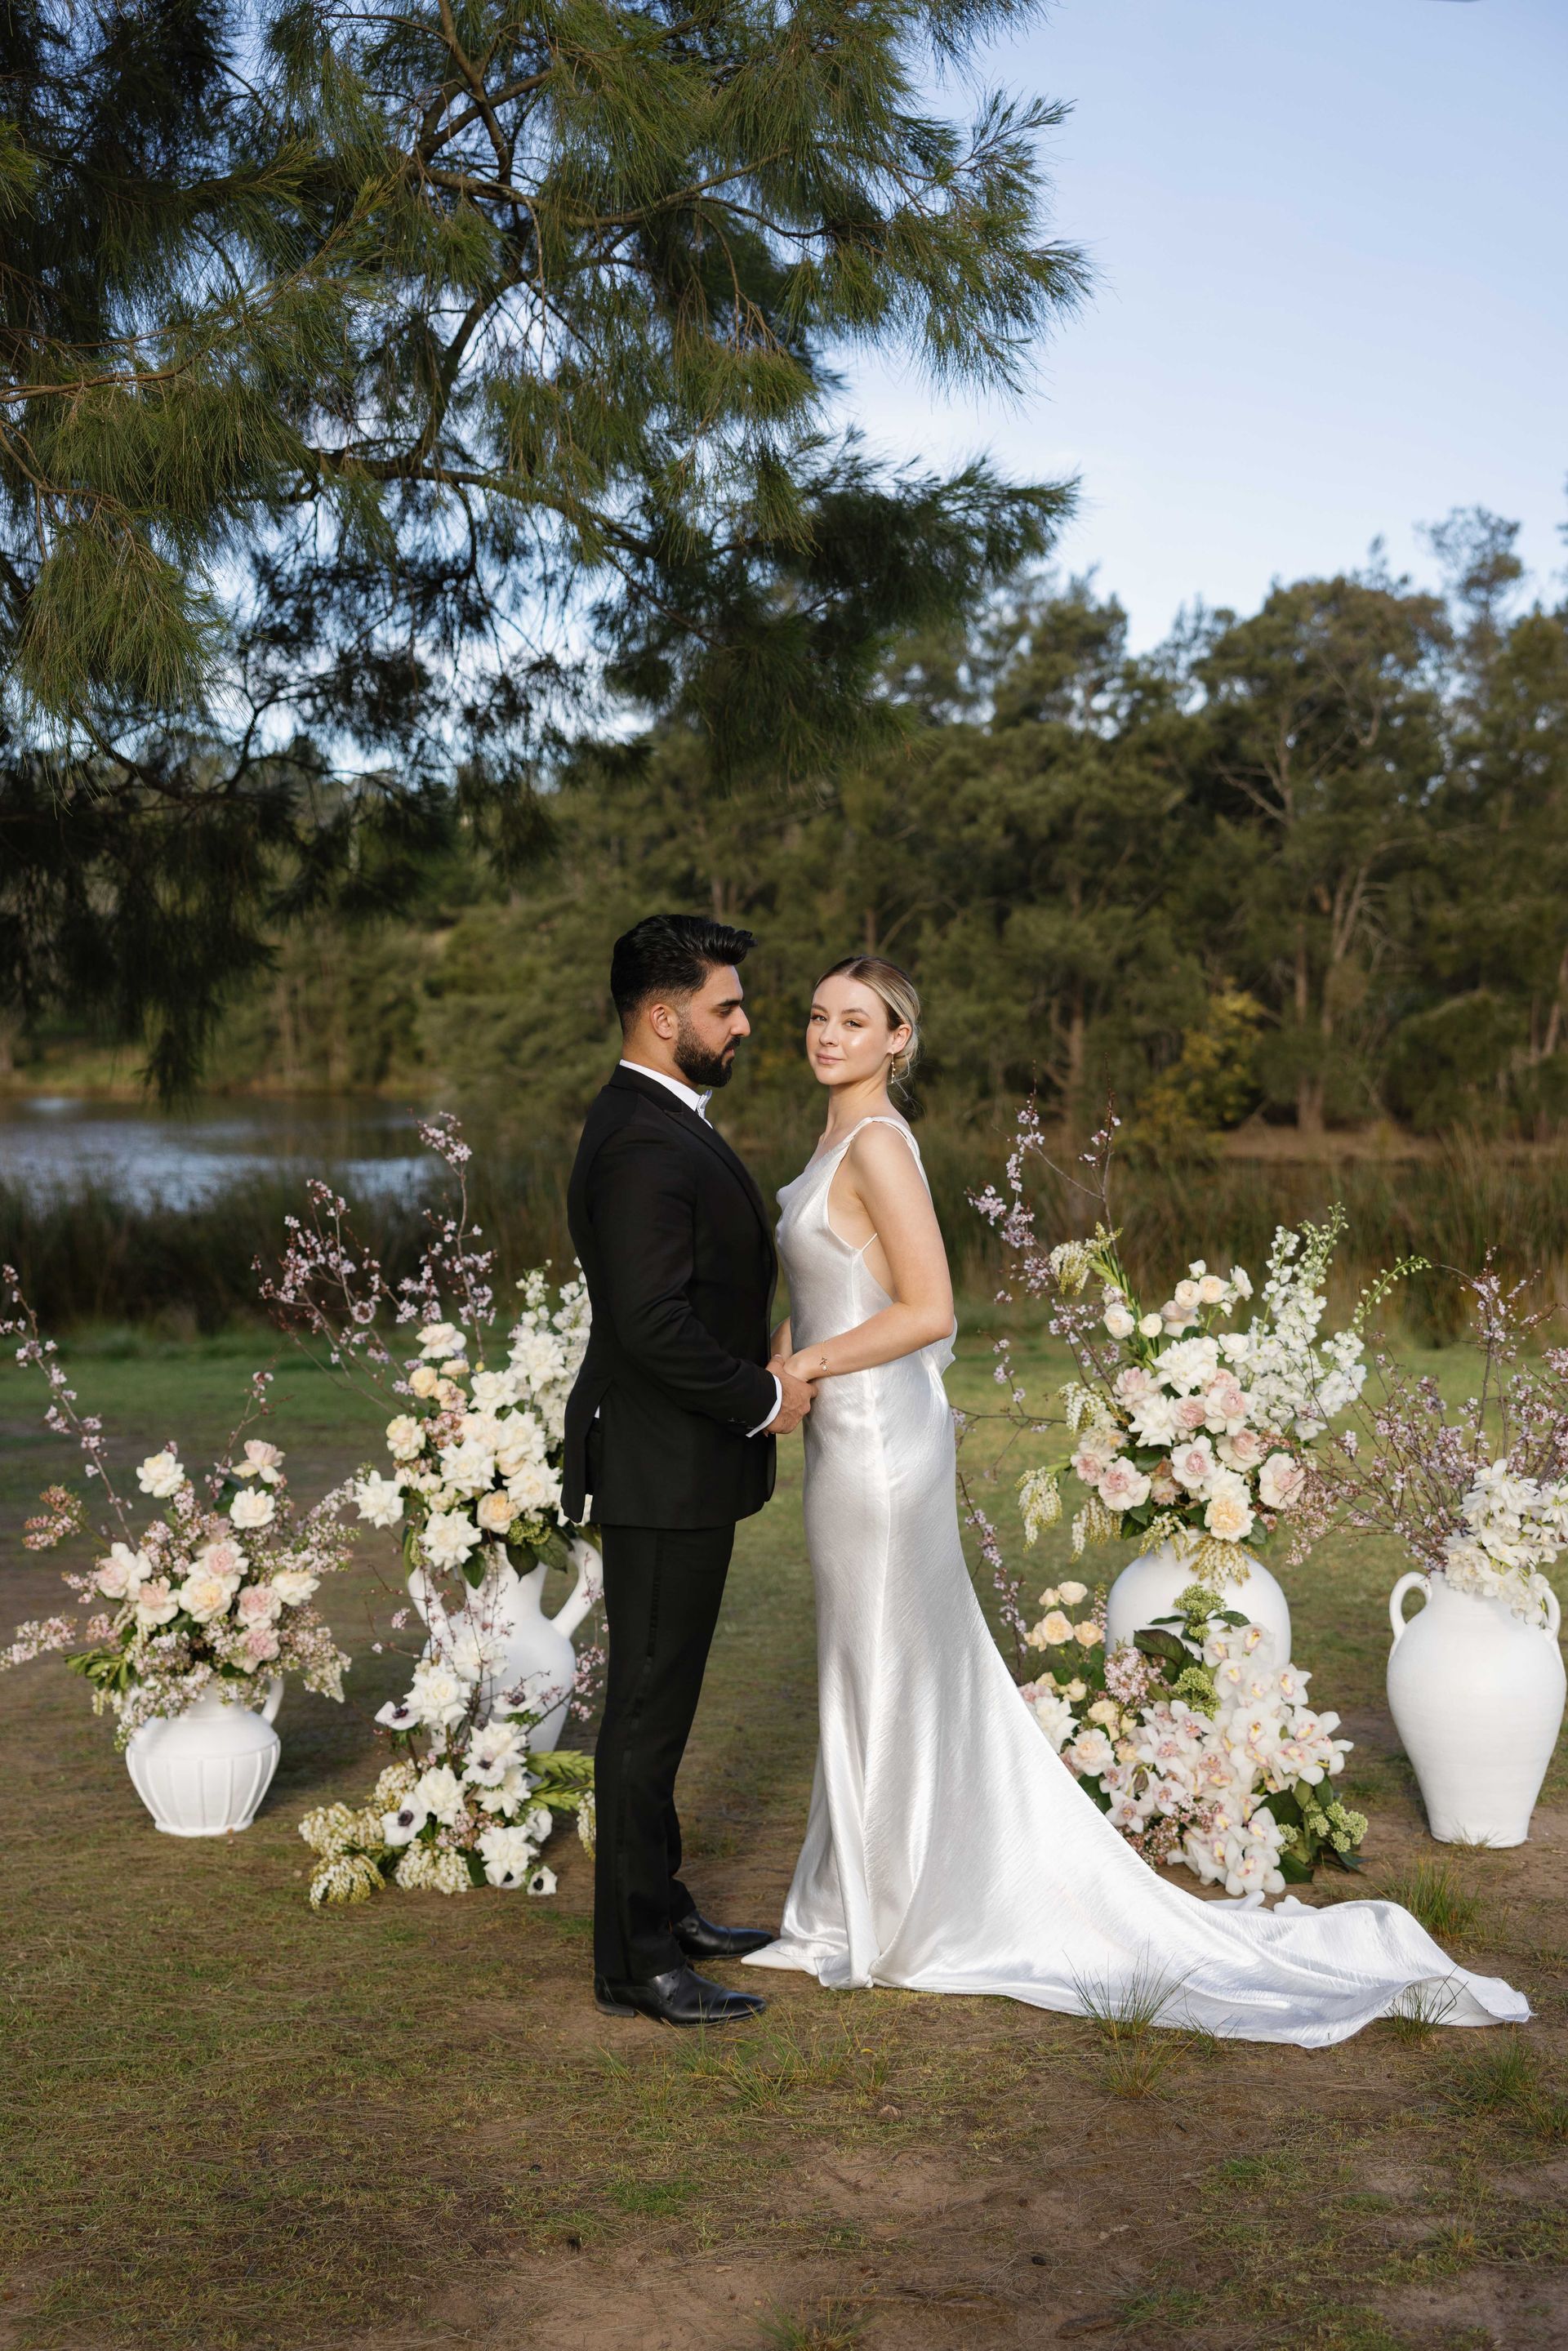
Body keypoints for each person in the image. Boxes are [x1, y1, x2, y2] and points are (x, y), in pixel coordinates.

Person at [742, 956, 1529, 2045]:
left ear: (897, 1042)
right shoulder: (836, 1139)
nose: (829, 1034)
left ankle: (888, 1918)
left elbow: (928, 1309)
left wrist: (810, 1368)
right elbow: (832, 1283)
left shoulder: (878, 1143)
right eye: (820, 1016)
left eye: (855, 1021)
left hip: (882, 1442)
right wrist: (783, 1371)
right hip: (842, 1430)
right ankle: (854, 1903)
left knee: (886, 1658)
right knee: (867, 1658)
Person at [564, 915, 812, 2027]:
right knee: (645, 1717)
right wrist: (763, 1398)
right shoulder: (642, 1141)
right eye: (728, 1007)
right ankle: (636, 1963)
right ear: (663, 1018)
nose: (747, 1024)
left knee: (657, 1705)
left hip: (677, 1465)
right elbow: (652, 1322)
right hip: (662, 1469)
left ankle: (663, 1905)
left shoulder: (661, 1121)